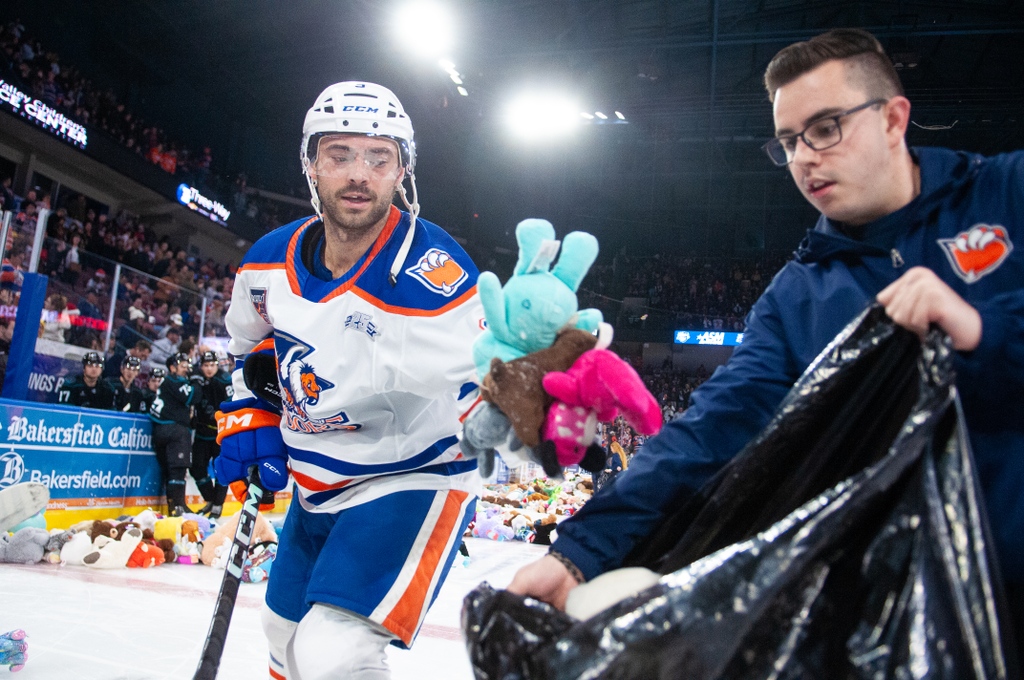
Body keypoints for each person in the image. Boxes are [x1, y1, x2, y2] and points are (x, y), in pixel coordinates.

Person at [509, 27, 1024, 651]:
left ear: (893, 118)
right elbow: (709, 429)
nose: (804, 157)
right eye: (788, 141)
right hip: (901, 617)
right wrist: (579, 551)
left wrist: (985, 330)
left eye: (825, 128)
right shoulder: (797, 297)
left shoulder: (1006, 192)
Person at [214, 81, 483, 679]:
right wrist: (252, 409)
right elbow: (248, 349)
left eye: (378, 158)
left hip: (412, 477)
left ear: (401, 171)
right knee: (283, 634)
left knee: (333, 653)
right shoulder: (266, 263)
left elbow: (488, 380)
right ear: (310, 163)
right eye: (339, 155)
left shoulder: (432, 276)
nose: (359, 174)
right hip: (317, 484)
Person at [149, 352, 195, 517]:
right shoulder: (174, 381)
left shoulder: (167, 382)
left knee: (170, 471)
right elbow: (193, 397)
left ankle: (174, 507)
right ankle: (178, 507)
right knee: (178, 469)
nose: (186, 369)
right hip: (174, 431)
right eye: (182, 366)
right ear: (172, 367)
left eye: (187, 366)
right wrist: (197, 382)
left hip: (162, 430)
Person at [189, 351, 233, 518]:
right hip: (202, 432)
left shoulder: (225, 380)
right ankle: (211, 500)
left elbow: (231, 403)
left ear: (217, 365)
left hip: (221, 433)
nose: (209, 369)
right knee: (196, 468)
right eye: (205, 365)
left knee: (221, 468)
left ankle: (217, 505)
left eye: (212, 365)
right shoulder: (197, 378)